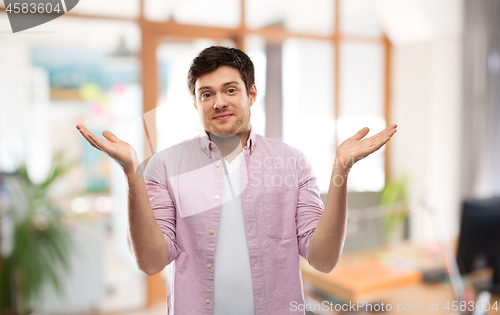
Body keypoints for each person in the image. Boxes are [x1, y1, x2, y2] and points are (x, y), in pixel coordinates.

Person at [76, 46, 397, 314]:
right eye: (206, 94)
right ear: (196, 103)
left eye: (230, 89)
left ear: (252, 93)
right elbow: (150, 262)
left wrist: (341, 169)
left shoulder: (293, 163)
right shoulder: (165, 166)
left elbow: (323, 259)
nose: (219, 102)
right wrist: (132, 173)